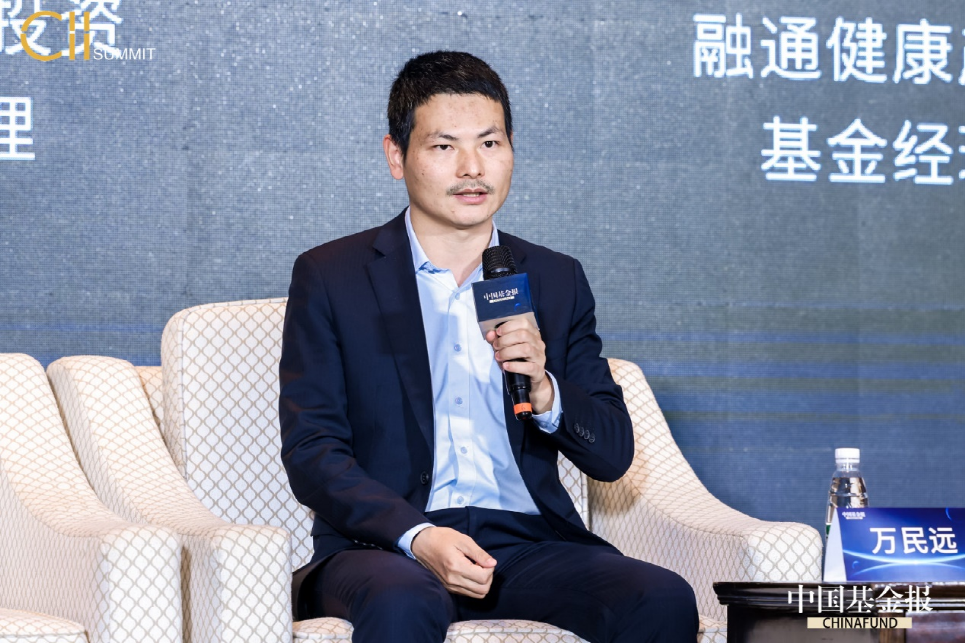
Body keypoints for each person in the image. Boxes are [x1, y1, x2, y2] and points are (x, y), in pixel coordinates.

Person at [279, 50, 698, 643]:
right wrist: (419, 537)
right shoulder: (333, 275)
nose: (472, 167)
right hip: (383, 547)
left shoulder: (554, 278)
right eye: (444, 146)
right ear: (397, 156)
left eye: (490, 143)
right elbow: (313, 451)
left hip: (525, 544)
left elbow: (612, 453)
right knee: (404, 600)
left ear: (511, 151)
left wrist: (546, 390)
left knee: (659, 597)